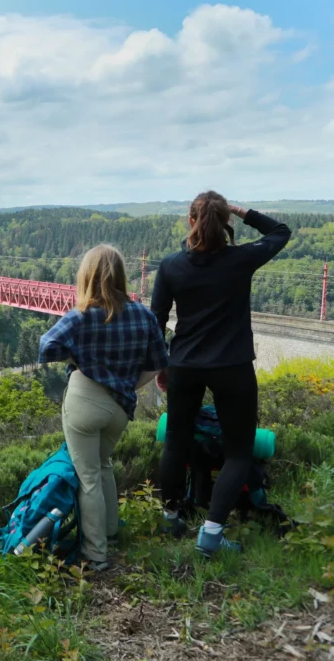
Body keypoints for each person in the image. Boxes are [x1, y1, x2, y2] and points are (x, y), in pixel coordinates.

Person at [152, 191, 291, 558]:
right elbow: (280, 231)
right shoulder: (240, 259)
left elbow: (156, 321)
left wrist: (164, 364)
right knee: (238, 452)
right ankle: (211, 535)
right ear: (227, 222)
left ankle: (170, 516)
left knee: (176, 442)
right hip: (233, 366)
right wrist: (241, 210)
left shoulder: (170, 266)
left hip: (184, 365)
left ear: (190, 221)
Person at [39, 245, 168, 571]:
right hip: (120, 407)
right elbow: (156, 366)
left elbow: (46, 347)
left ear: (87, 276)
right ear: (120, 275)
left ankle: (95, 555)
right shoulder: (144, 315)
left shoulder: (80, 317)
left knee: (88, 477)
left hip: (85, 400)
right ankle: (110, 532)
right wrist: (124, 383)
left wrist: (78, 357)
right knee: (103, 464)